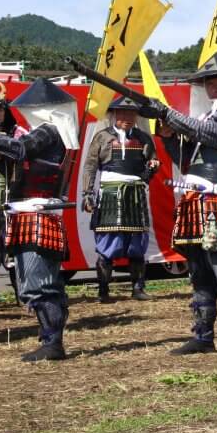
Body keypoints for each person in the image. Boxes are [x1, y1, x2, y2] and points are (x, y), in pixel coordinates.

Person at [146, 52, 217, 360]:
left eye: (216, 81)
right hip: (196, 197)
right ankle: (203, 335)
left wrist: (170, 115)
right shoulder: (204, 118)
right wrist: (169, 137)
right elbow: (187, 160)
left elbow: (212, 135)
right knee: (199, 272)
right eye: (207, 83)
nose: (210, 87)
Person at [0, 78, 79, 362]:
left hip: (37, 213)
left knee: (40, 283)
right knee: (37, 281)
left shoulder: (50, 131)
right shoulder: (54, 133)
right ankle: (50, 339)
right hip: (31, 212)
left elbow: (19, 149)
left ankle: (52, 342)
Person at [81, 95, 159, 303]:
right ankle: (103, 290)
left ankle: (138, 288)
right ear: (114, 114)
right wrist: (87, 193)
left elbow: (152, 163)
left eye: (131, 113)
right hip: (109, 191)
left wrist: (151, 170)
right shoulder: (101, 137)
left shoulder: (143, 138)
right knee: (107, 240)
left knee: (137, 241)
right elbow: (90, 166)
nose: (126, 116)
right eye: (122, 112)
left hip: (135, 192)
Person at [0, 97, 27, 308]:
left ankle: (21, 293)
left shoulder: (17, 132)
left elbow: (25, 151)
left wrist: (4, 148)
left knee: (14, 246)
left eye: (0, 110)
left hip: (12, 197)